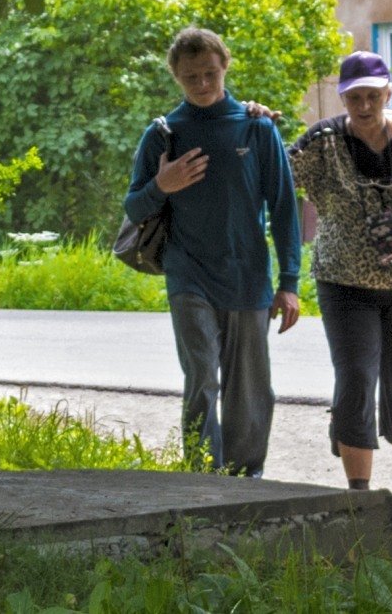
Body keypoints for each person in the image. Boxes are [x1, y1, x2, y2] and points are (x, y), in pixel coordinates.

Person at [122, 27, 300, 478]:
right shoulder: (163, 134)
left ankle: (245, 479)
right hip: (188, 275)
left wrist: (290, 283)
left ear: (225, 67)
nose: (202, 84)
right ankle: (202, 477)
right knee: (202, 376)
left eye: (209, 73)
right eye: (190, 77)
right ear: (176, 78)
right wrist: (163, 185)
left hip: (247, 277)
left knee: (249, 389)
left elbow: (282, 209)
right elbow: (133, 206)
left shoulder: (257, 129)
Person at [288, 51, 392, 525]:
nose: (364, 106)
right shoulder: (322, 141)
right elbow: (275, 175)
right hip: (345, 282)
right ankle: (359, 496)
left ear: (387, 93)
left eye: (372, 96)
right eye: (354, 97)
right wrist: (256, 122)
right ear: (343, 98)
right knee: (357, 378)